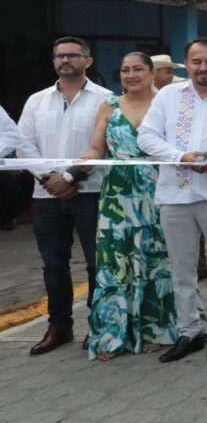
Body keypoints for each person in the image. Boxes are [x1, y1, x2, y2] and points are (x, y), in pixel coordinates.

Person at [136, 39, 207, 362]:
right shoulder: (169, 96)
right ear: (187, 64)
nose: (203, 68)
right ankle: (189, 331)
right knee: (181, 268)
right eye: (196, 61)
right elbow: (147, 136)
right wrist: (180, 156)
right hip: (175, 192)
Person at [71, 53, 174, 360]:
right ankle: (112, 334)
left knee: (157, 257)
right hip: (118, 192)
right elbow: (95, 147)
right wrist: (78, 167)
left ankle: (153, 328)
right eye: (124, 69)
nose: (130, 75)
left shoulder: (166, 104)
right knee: (115, 262)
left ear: (152, 72)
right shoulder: (109, 105)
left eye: (137, 69)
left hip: (158, 188)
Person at [18, 36, 112, 355]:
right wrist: (50, 179)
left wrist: (71, 176)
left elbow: (107, 145)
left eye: (73, 55)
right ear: (53, 62)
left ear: (88, 60)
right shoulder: (36, 101)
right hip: (45, 195)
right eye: (59, 56)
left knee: (96, 263)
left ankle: (98, 326)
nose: (65, 60)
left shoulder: (105, 99)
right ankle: (59, 327)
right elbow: (25, 145)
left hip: (91, 192)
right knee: (53, 265)